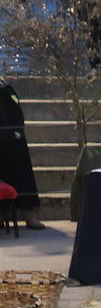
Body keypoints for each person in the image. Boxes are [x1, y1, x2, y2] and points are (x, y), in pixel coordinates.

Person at [0, 77, 44, 229]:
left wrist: (17, 132)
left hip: (13, 140)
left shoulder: (5, 87)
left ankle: (29, 216)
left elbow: (16, 112)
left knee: (23, 178)